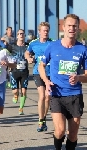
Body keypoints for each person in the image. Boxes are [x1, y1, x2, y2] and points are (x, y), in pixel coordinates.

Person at [38, 14, 87, 150]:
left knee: (72, 135)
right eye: (69, 26)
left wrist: (78, 77)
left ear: (78, 28)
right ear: (63, 27)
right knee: (59, 131)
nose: (72, 28)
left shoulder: (83, 49)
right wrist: (47, 81)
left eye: (74, 26)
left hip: (75, 95)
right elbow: (41, 66)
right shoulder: (53, 47)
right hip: (57, 94)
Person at [25, 22, 54, 132]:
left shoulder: (52, 43)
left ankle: (43, 118)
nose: (45, 32)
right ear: (39, 32)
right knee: (42, 96)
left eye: (47, 30)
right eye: (44, 30)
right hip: (38, 72)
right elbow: (27, 53)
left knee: (48, 97)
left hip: (50, 73)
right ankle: (41, 120)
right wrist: (29, 58)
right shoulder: (33, 43)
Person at [9, 29, 29, 115]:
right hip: (14, 71)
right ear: (17, 36)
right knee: (15, 91)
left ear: (24, 36)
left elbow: (33, 53)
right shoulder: (12, 46)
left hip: (25, 72)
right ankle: (15, 95)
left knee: (24, 91)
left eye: (22, 34)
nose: (21, 35)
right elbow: (6, 54)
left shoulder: (28, 46)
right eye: (19, 34)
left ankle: (21, 108)